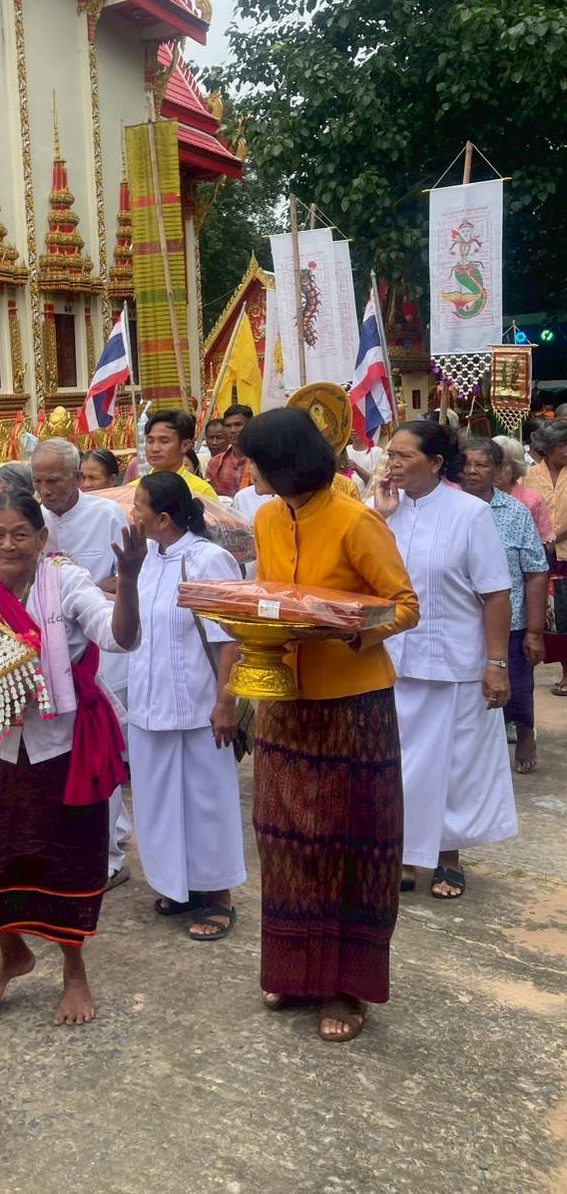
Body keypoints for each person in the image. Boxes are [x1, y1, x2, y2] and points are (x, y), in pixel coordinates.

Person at [236, 409, 419, 1043]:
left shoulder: (354, 518)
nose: (245, 469)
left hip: (352, 705)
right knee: (284, 838)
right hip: (284, 700)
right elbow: (266, 596)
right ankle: (294, 971)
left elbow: (404, 606)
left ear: (282, 462)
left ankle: (346, 988)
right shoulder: (264, 517)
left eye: (253, 459)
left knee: (350, 841)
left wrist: (348, 631)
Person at [0, 492, 145, 1026]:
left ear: (41, 540)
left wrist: (127, 580)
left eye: (21, 534)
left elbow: (121, 637)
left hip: (64, 746)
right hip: (0, 746)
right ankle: (12, 954)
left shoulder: (68, 584)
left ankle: (74, 970)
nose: (8, 544)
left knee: (64, 861)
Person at [375, 422, 515, 900]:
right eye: (389, 453)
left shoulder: (470, 514)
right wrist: (380, 517)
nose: (391, 463)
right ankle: (406, 856)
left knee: (454, 765)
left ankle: (447, 857)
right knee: (401, 763)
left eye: (403, 455)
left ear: (435, 464)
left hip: (456, 660)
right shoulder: (380, 513)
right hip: (395, 660)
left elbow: (496, 593)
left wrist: (497, 663)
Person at [128, 474, 246, 940]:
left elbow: (229, 639)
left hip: (200, 707)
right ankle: (177, 886)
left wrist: (225, 702)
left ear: (163, 518)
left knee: (206, 802)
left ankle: (217, 896)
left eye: (139, 507)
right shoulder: (147, 558)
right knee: (157, 802)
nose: (132, 515)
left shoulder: (208, 559)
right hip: (149, 703)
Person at [31, 438, 131, 890]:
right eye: (38, 481)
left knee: (100, 755)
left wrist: (109, 585)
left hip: (98, 654)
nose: (46, 490)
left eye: (54, 481)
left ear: (75, 477)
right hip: (50, 660)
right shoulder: (34, 522)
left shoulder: (106, 515)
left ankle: (111, 852)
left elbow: (127, 578)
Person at [461, 439, 547, 774]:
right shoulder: (447, 507)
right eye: (466, 463)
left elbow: (536, 573)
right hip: (462, 621)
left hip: (509, 621)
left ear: (499, 471)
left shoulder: (515, 513)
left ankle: (526, 730)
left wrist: (535, 632)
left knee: (517, 690)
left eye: (481, 465)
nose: (471, 471)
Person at [522, 419, 567, 696]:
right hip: (540, 555)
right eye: (561, 445)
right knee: (551, 615)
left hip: (562, 551)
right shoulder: (529, 476)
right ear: (548, 449)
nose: (565, 450)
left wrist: (554, 537)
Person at [138, 409, 217, 500]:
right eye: (150, 441)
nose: (155, 448)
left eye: (164, 441)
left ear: (185, 445)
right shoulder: (134, 489)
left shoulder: (201, 491)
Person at [493, 436, 554, 547]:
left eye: (503, 465)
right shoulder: (476, 497)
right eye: (491, 464)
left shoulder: (531, 500)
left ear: (515, 467)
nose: (496, 470)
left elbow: (546, 543)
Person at [206, 404, 253, 497]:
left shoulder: (261, 462)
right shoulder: (216, 462)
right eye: (228, 426)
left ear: (250, 425)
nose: (232, 430)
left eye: (238, 424)